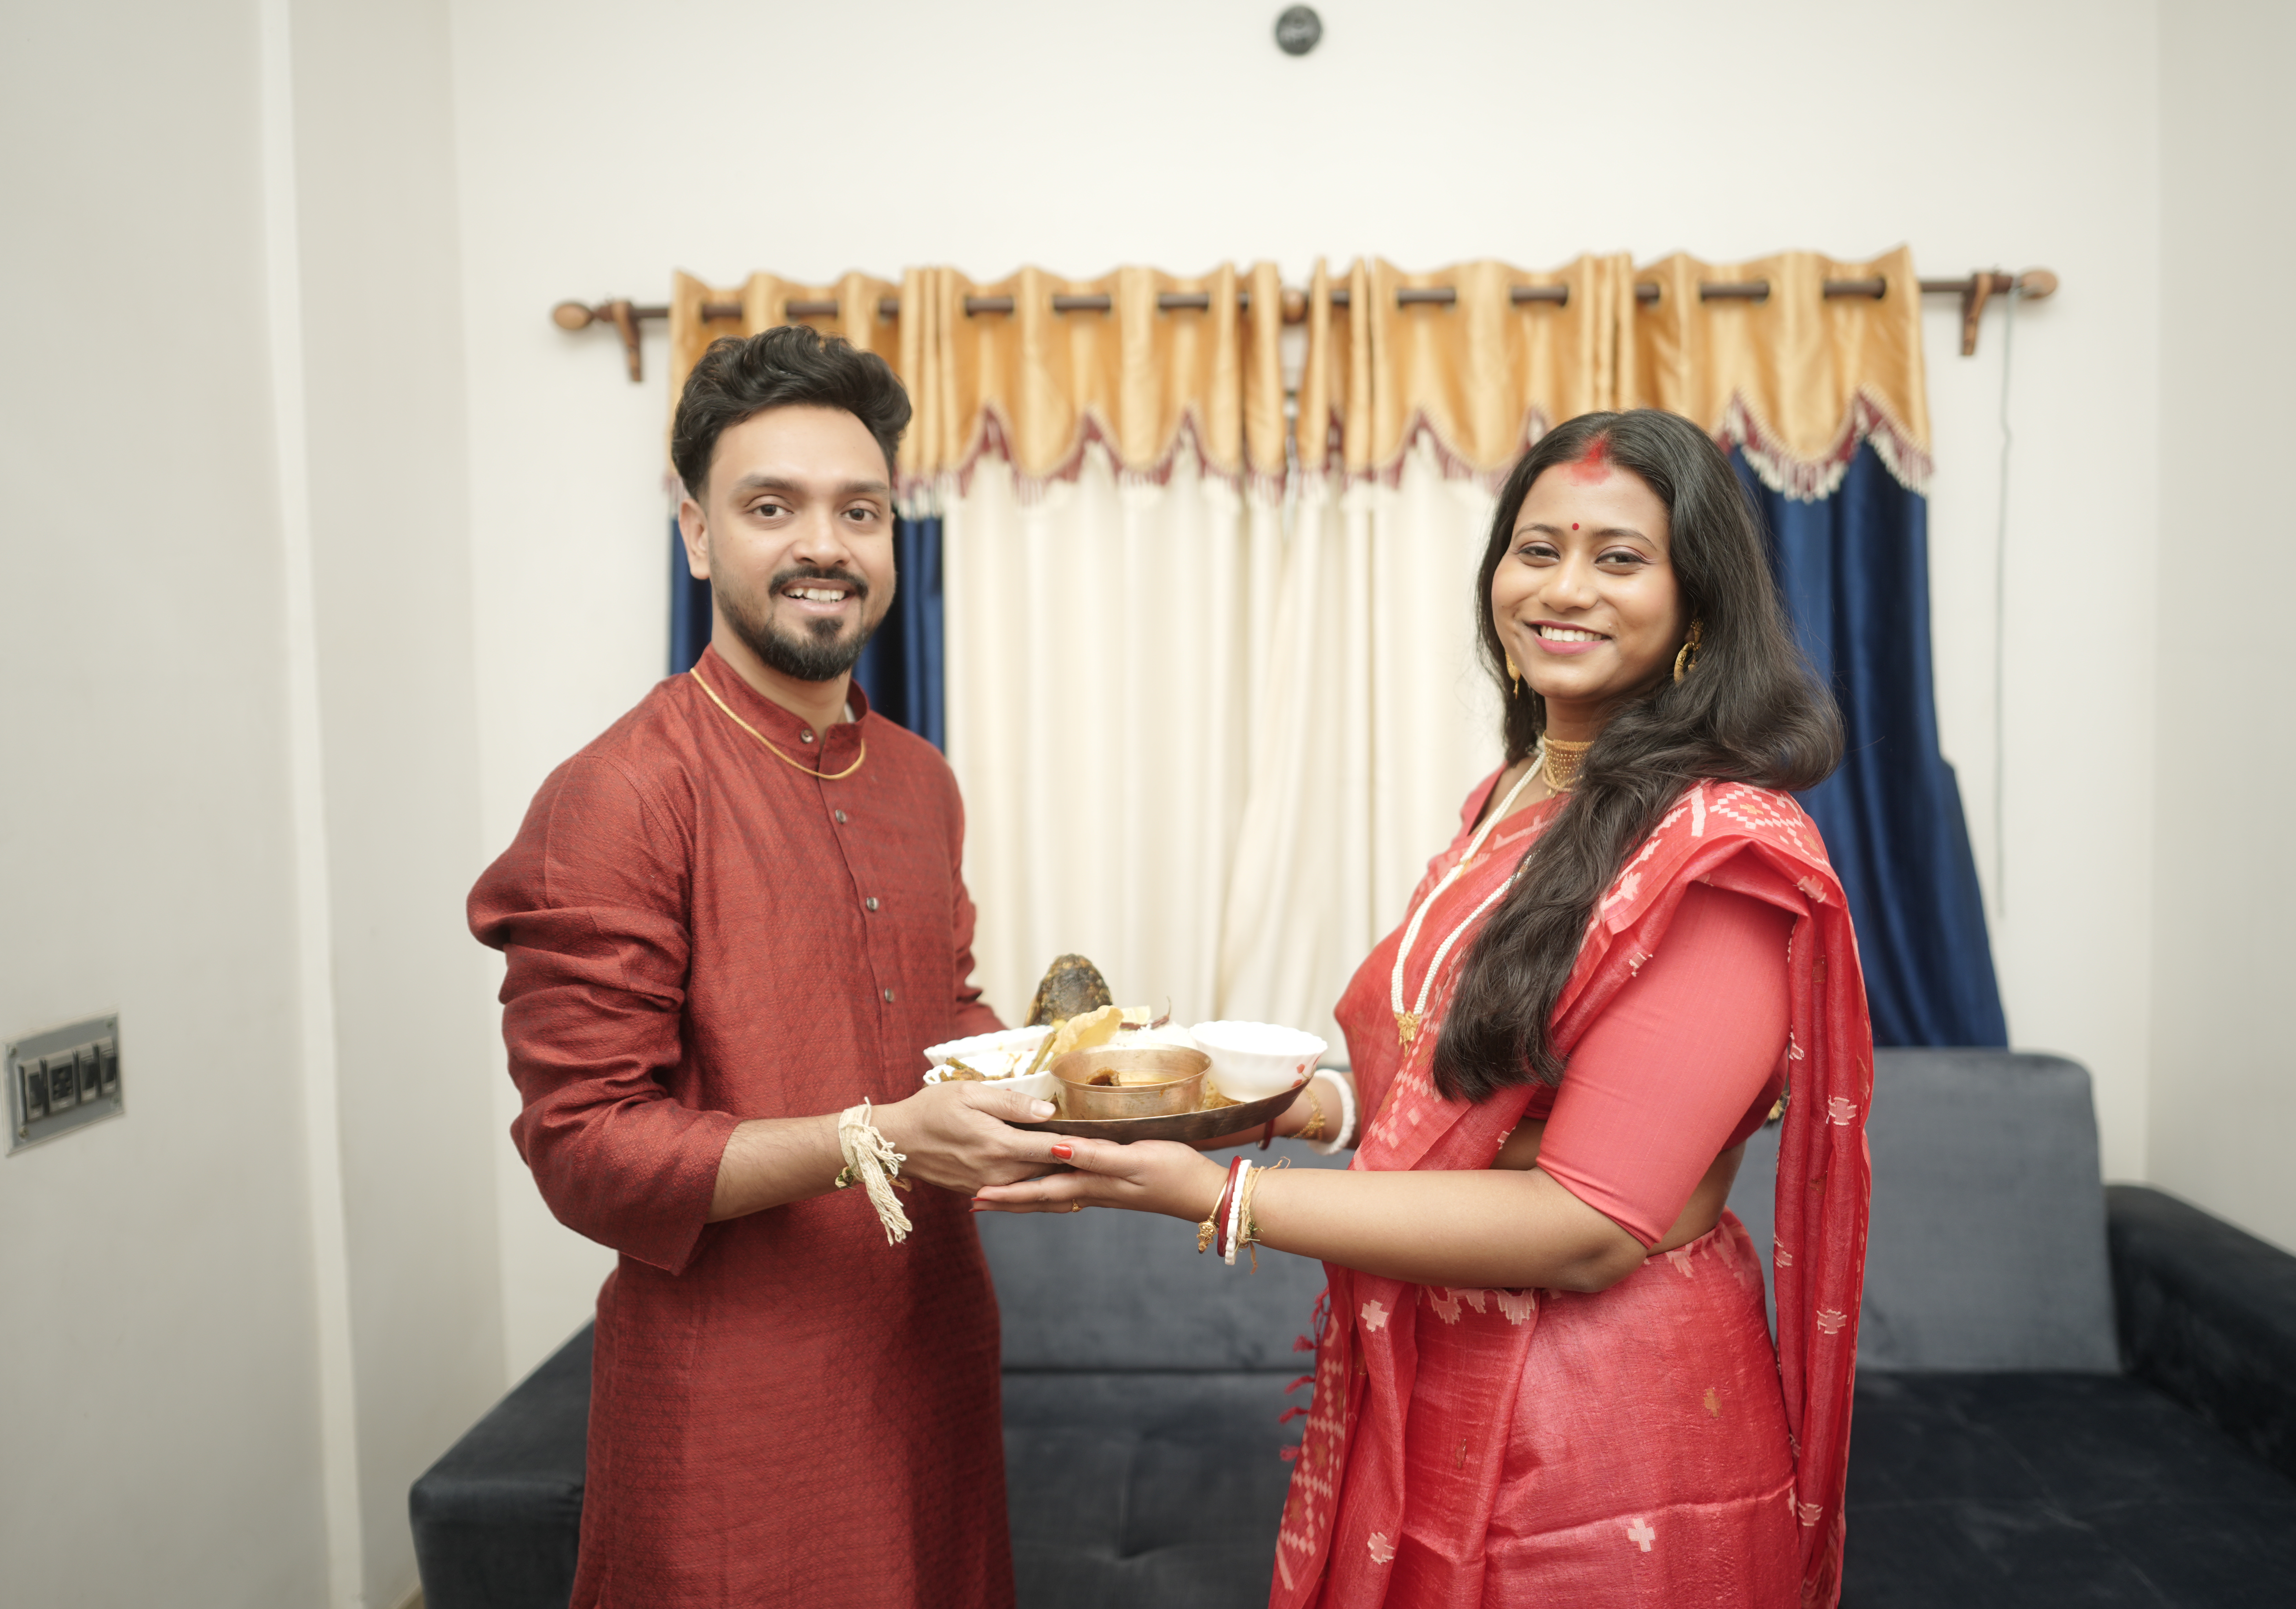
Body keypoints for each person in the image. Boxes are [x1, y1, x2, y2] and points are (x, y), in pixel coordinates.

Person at [975, 409, 1875, 1608]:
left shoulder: (1717, 856)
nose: (1565, 587)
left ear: (1698, 608)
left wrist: (1226, 1196)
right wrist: (1313, 1112)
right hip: (1446, 1360)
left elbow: (1591, 1220)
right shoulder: (1512, 795)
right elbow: (1475, 1077)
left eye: (1619, 558)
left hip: (1600, 1430)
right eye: (1536, 547)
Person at [468, 326, 1062, 1609]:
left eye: (860, 510)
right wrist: (878, 1140)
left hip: (935, 1358)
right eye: (771, 507)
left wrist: (1057, 1079)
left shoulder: (916, 778)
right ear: (696, 535)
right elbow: (588, 1149)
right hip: (737, 1404)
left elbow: (937, 1003)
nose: (824, 546)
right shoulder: (617, 796)